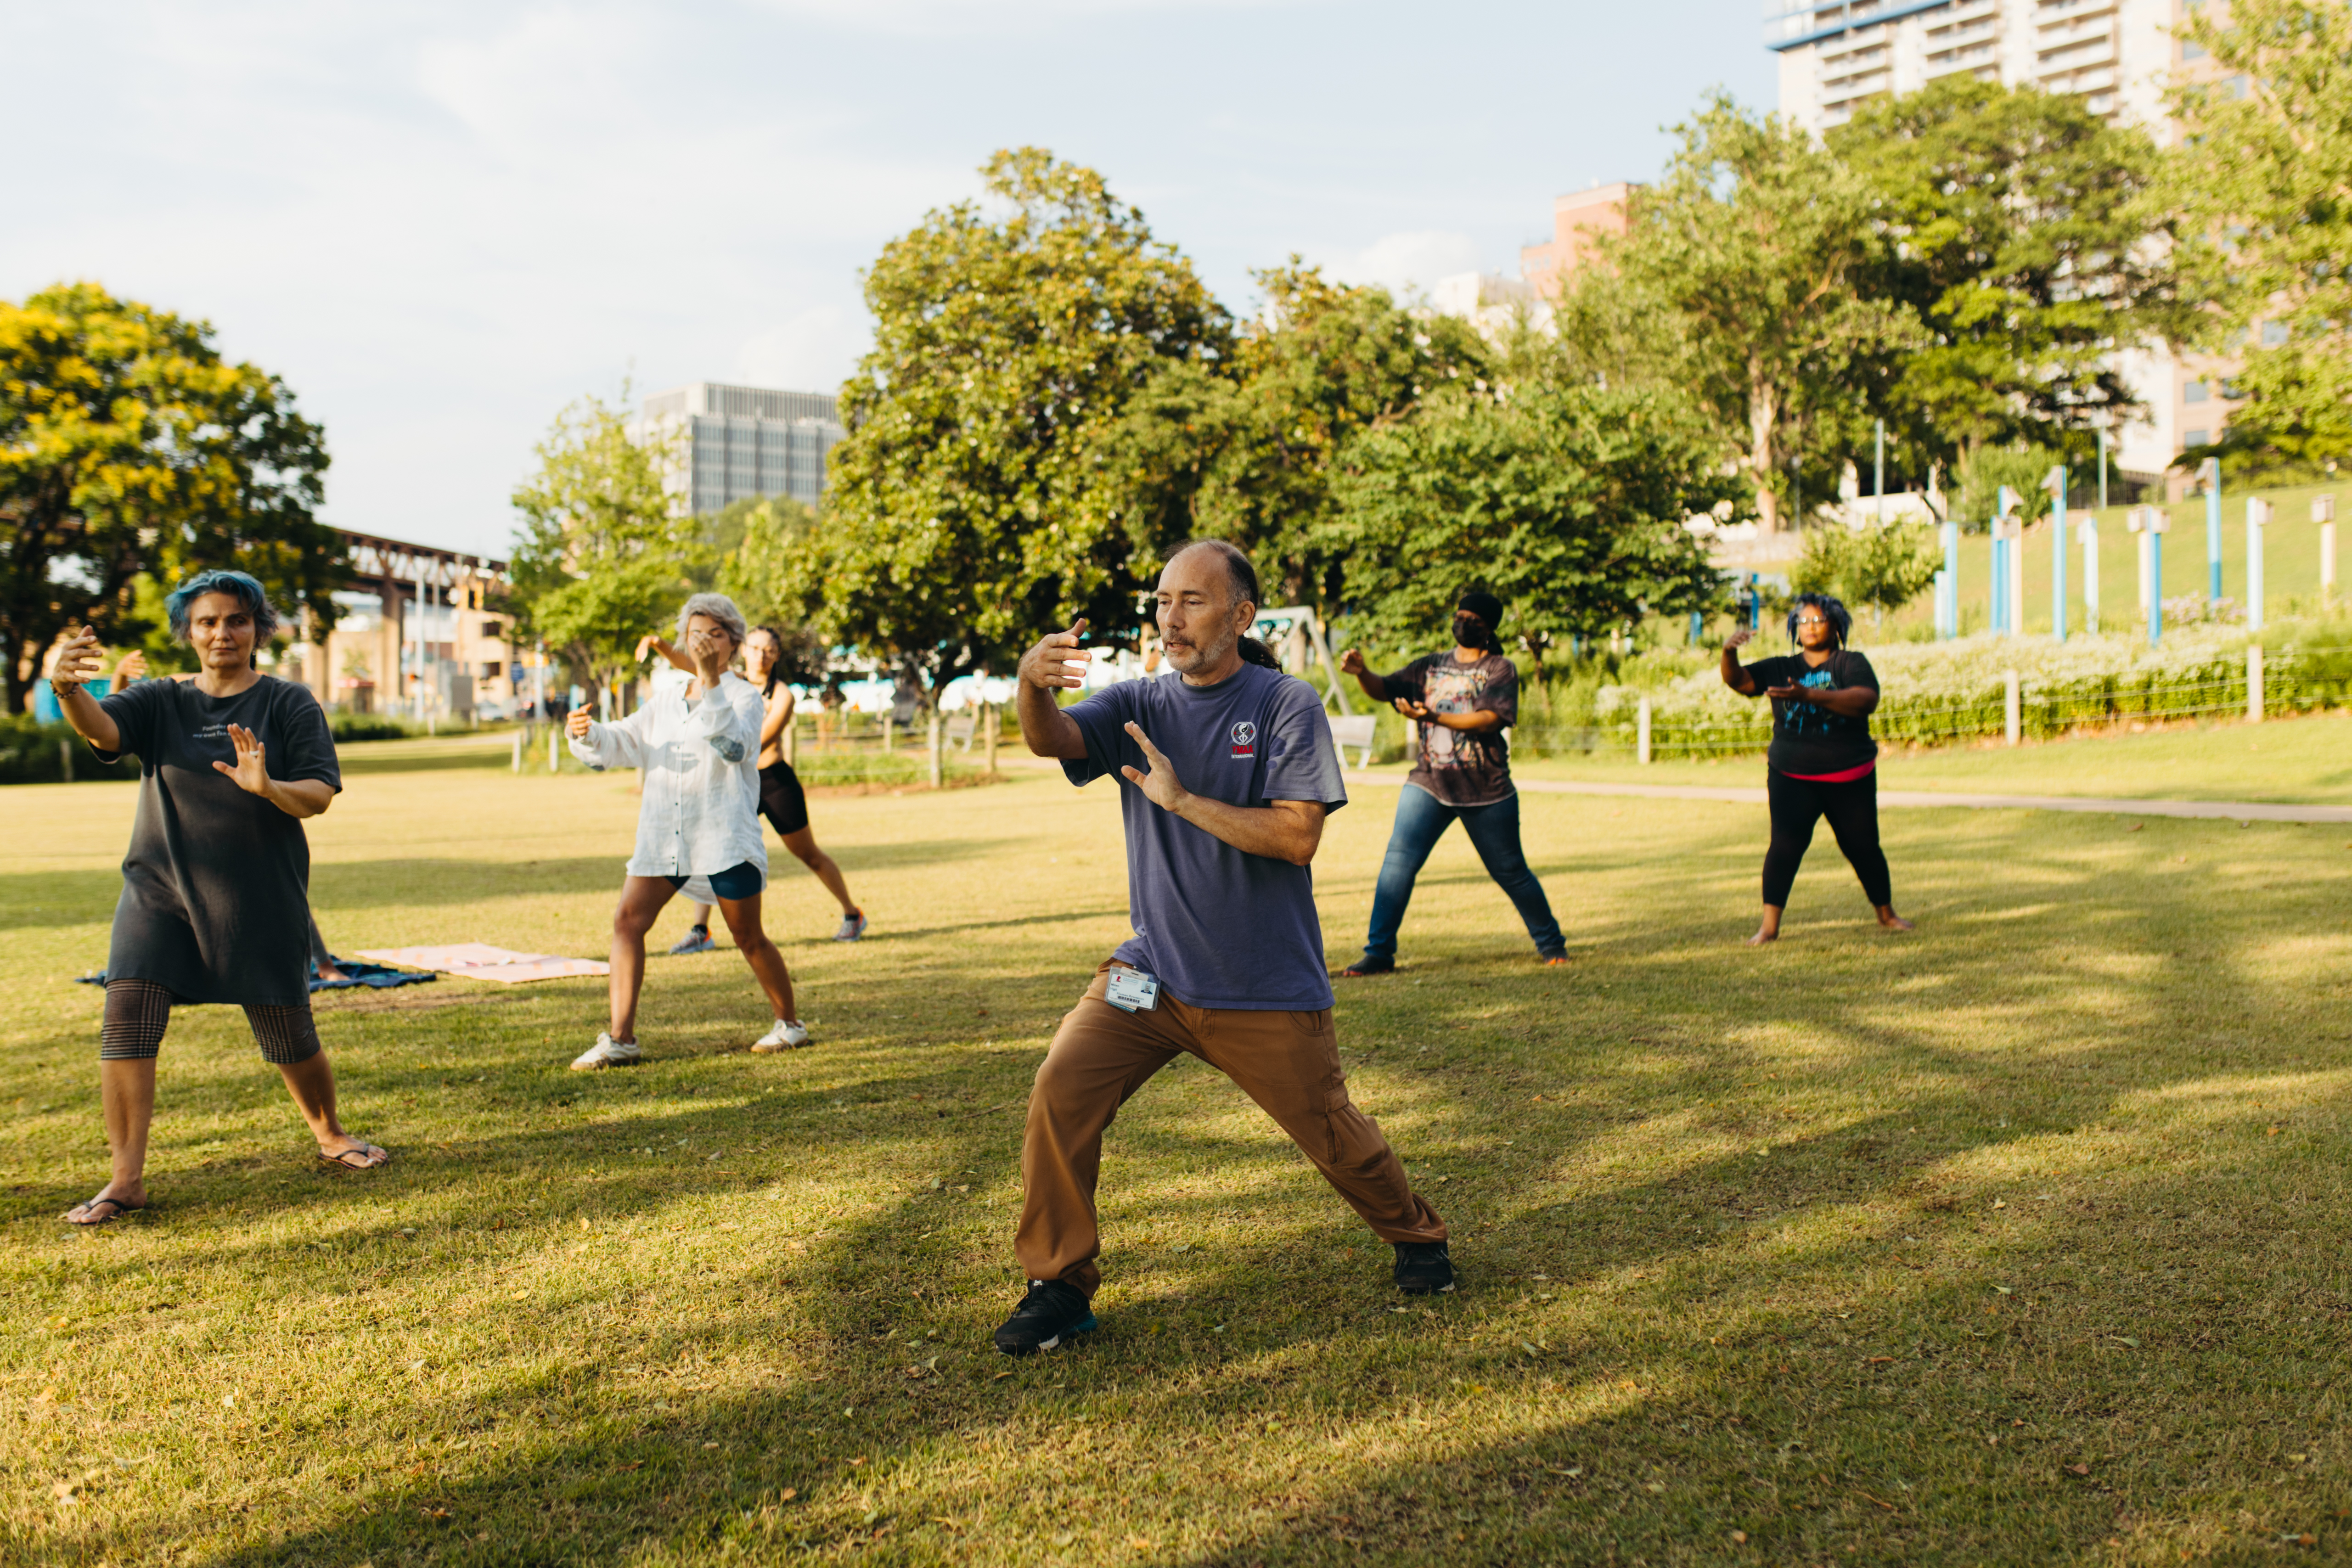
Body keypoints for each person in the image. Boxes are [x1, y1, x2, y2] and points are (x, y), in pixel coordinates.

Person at [991, 539, 1452, 1357]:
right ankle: (1056, 1283)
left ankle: (1416, 1235)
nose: (1170, 618)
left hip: (1261, 986)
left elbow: (1296, 836)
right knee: (1061, 1086)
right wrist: (1030, 683)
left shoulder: (1285, 704)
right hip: (1150, 979)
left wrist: (1181, 799)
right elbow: (1050, 738)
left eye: (1192, 601)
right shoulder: (1136, 702)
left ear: (1240, 616)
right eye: (1162, 601)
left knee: (1333, 1133)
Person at [46, 570, 389, 1225]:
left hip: (258, 894)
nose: (222, 632)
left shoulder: (288, 703)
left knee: (287, 1029)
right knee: (127, 1018)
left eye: (236, 619)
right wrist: (68, 689)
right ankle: (125, 1179)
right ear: (190, 631)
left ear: (258, 628)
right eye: (207, 621)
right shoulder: (160, 700)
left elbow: (318, 794)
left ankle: (330, 1133)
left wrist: (269, 788)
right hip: (159, 892)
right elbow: (104, 732)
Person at [567, 594, 810, 1067]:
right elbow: (625, 741)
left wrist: (711, 683)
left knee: (748, 936)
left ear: (733, 644)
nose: (704, 642)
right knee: (627, 922)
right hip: (665, 836)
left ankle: (790, 1024)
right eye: (696, 634)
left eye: (715, 634)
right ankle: (621, 1038)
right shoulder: (666, 699)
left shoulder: (743, 696)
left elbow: (736, 748)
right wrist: (587, 733)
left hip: (723, 837)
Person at [1335, 591, 1567, 976]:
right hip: (1429, 783)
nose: (1464, 623)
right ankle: (1379, 953)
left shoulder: (1500, 668)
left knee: (1511, 871)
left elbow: (1489, 720)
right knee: (1398, 864)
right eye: (1460, 616)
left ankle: (1552, 944)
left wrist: (1432, 716)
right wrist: (1362, 672)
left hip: (1486, 790)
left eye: (1474, 619)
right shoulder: (1430, 666)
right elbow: (1385, 689)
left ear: (1489, 627)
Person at [639, 626, 867, 953]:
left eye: (768, 650)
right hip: (735, 782)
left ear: (776, 655)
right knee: (710, 851)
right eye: (755, 648)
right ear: (743, 649)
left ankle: (852, 914)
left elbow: (756, 743)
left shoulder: (782, 695)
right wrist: (658, 643)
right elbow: (691, 664)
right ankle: (701, 930)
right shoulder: (731, 681)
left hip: (773, 782)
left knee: (808, 854)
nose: (761, 655)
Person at [1720, 592, 1915, 946]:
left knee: (1863, 847)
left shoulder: (1849, 663)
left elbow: (1866, 699)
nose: (1810, 626)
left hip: (1849, 775)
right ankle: (1769, 928)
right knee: (1784, 847)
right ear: (1795, 628)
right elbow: (1742, 682)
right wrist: (1729, 654)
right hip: (1792, 775)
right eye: (1803, 620)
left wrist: (1811, 696)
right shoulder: (1781, 667)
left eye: (1818, 620)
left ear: (1836, 625)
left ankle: (1887, 914)